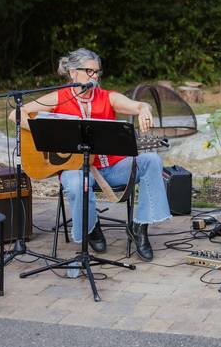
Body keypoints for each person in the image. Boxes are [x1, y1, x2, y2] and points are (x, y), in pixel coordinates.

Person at [13, 48, 170, 261]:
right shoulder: (59, 97)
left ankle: (139, 228)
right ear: (72, 73)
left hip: (111, 169)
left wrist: (143, 109)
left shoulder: (108, 97)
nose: (94, 76)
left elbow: (138, 105)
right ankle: (91, 227)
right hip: (75, 169)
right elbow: (17, 113)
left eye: (97, 72)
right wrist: (46, 132)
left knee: (152, 160)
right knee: (77, 183)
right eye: (89, 71)